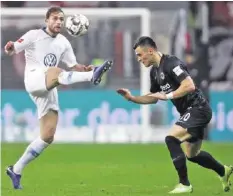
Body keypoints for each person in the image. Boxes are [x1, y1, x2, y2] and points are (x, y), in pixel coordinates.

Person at [4, 7, 112, 189]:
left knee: (47, 135)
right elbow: (12, 49)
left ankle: (16, 169)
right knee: (55, 71)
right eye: (55, 18)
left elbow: (73, 65)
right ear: (46, 20)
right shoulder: (33, 35)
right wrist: (9, 47)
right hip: (34, 77)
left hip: (49, 86)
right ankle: (93, 76)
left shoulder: (63, 42)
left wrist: (84, 69)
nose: (58, 22)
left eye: (61, 19)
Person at [117, 36, 232, 194]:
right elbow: (153, 98)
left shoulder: (171, 63)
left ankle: (184, 184)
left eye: (139, 54)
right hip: (189, 111)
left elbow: (189, 85)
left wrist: (168, 96)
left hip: (198, 108)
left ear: (150, 51)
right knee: (192, 154)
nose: (138, 59)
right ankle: (223, 171)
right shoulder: (155, 72)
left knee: (171, 139)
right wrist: (131, 98)